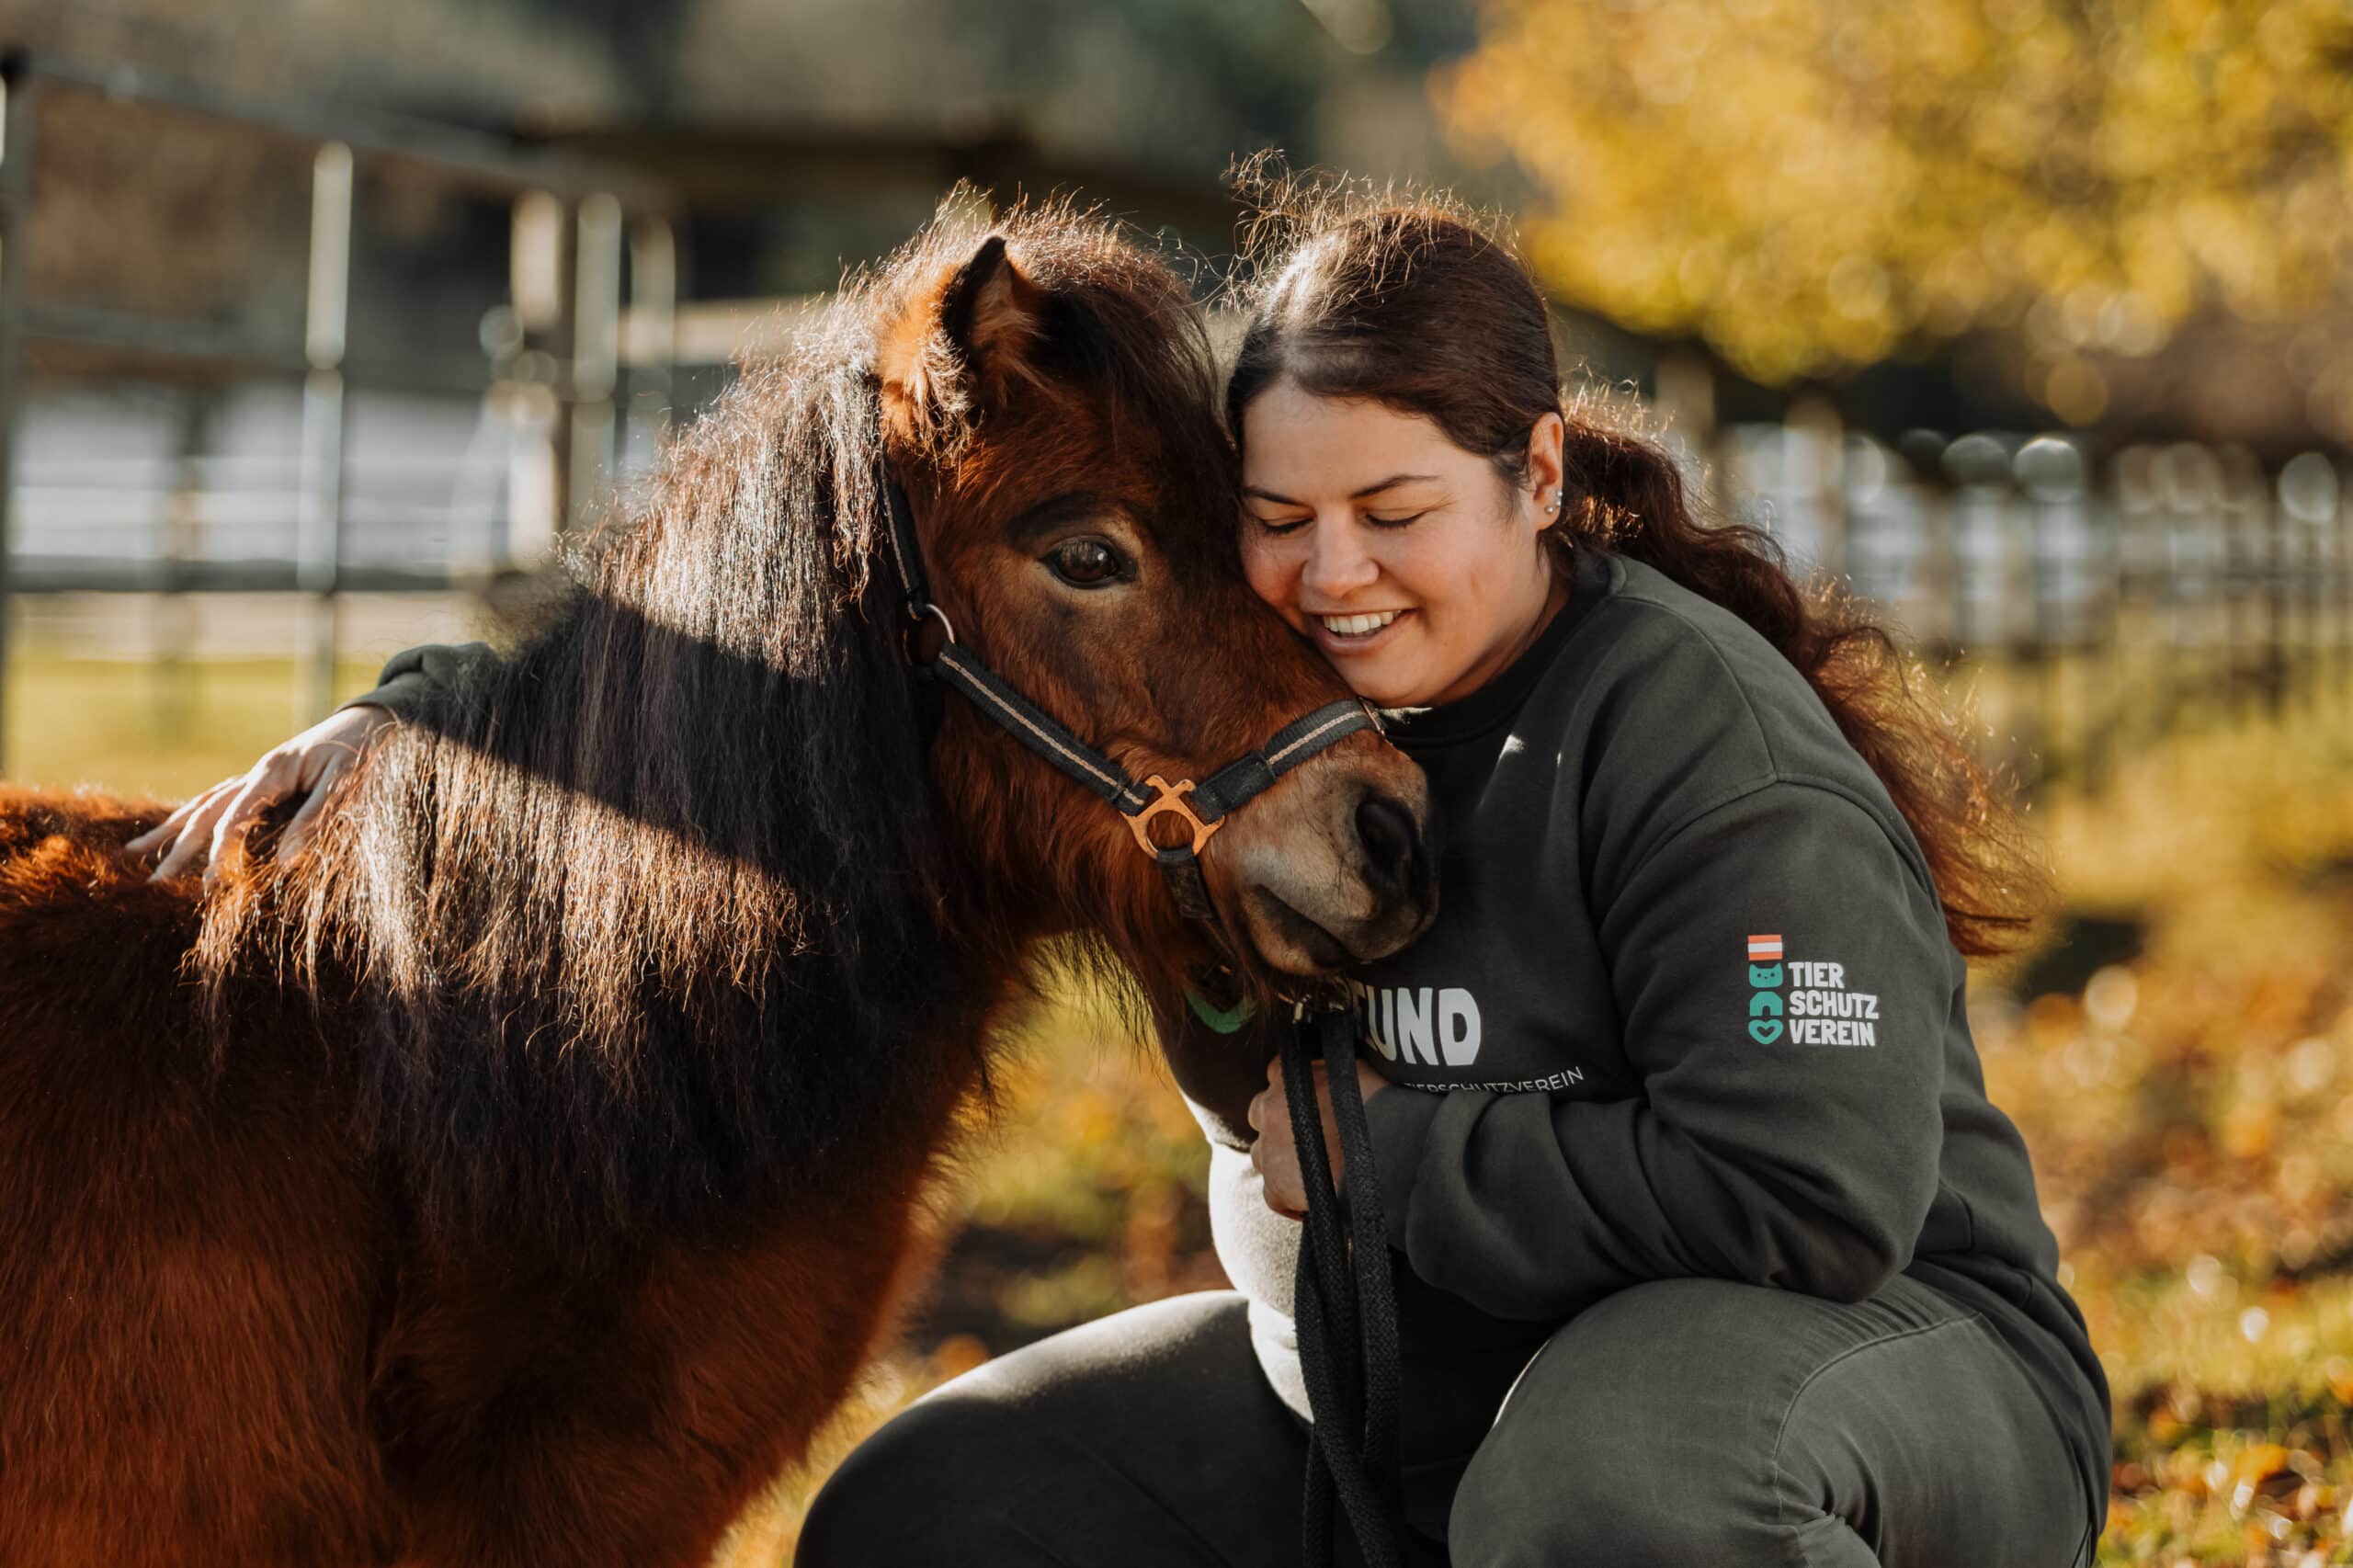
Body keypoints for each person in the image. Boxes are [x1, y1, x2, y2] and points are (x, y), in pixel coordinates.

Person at [133, 185, 2111, 1568]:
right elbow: (850, 656)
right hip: (1401, 1390)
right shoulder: (1264, 700)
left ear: (1532, 482)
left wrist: (1392, 1161)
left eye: (1395, 512)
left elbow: (1812, 1187)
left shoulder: (1702, 747)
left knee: (1610, 1489)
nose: (1334, 573)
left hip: (1859, 1370)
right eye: (1279, 518)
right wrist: (441, 712)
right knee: (937, 1513)